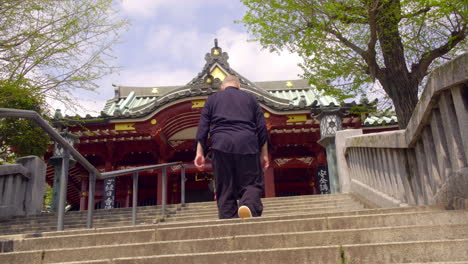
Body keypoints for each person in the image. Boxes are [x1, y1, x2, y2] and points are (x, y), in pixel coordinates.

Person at [194, 75, 269, 219]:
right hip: (247, 143)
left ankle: (228, 218)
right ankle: (248, 205)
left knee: (224, 185)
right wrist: (264, 153)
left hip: (221, 144)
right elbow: (261, 127)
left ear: (223, 86)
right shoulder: (250, 98)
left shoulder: (212, 99)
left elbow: (203, 126)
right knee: (252, 183)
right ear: (238, 86)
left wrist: (199, 152)